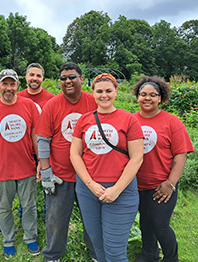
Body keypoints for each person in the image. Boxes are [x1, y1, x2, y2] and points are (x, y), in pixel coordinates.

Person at [70, 73, 144, 262]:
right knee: (98, 245)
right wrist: (90, 184)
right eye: (100, 91)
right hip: (88, 191)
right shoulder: (84, 120)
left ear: (116, 91)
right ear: (92, 93)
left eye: (108, 91)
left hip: (121, 191)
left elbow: (137, 158)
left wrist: (116, 190)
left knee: (115, 252)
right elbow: (75, 154)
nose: (104, 95)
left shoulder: (129, 120)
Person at [35, 62, 98, 262]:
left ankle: (96, 253)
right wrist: (46, 172)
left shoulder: (93, 102)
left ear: (81, 78)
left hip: (90, 175)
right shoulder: (52, 105)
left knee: (92, 219)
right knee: (56, 220)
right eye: (63, 78)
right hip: (60, 175)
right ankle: (53, 255)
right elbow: (43, 140)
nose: (67, 81)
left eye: (72, 77)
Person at [0, 69, 40, 260]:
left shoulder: (28, 106)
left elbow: (35, 134)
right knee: (4, 207)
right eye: (5, 84)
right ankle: (8, 242)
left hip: (27, 166)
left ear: (17, 86)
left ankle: (30, 238)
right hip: (3, 169)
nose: (8, 88)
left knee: (29, 205)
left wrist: (40, 162)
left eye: (12, 84)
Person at [133, 76, 194, 262]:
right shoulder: (130, 120)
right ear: (137, 97)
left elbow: (181, 154)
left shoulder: (172, 122)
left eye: (153, 95)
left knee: (160, 225)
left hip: (162, 186)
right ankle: (149, 255)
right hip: (136, 185)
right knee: (145, 224)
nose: (147, 98)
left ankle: (171, 258)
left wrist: (170, 183)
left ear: (161, 98)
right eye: (143, 94)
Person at [17, 62, 55, 219]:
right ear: (26, 77)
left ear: (43, 79)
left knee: (48, 184)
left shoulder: (51, 99)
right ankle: (24, 217)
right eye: (31, 75)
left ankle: (49, 217)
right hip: (24, 149)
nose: (34, 78)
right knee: (25, 187)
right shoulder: (17, 97)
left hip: (46, 149)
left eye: (38, 75)